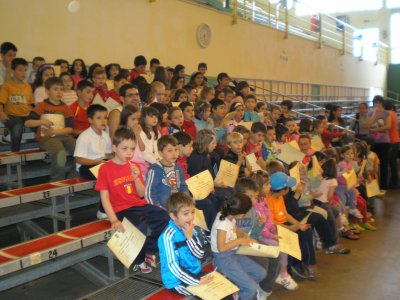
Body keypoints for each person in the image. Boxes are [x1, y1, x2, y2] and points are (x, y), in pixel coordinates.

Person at [95, 127, 170, 272]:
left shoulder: (133, 166)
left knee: (165, 217)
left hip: (138, 204)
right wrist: (113, 220)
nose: (129, 152)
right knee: (139, 226)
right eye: (124, 148)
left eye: (132, 149)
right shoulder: (105, 169)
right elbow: (104, 198)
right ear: (114, 148)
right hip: (121, 209)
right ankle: (139, 259)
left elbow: (141, 193)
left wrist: (136, 178)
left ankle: (149, 249)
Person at [211, 193, 268, 300]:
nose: (245, 216)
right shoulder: (222, 224)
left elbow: (236, 229)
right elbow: (221, 248)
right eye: (244, 214)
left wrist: (246, 236)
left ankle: (240, 292)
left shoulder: (229, 216)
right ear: (238, 213)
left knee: (261, 273)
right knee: (251, 288)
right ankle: (245, 293)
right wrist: (240, 240)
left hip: (233, 253)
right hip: (223, 259)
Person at [158, 192, 212, 296]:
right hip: (177, 281)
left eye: (192, 212)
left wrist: (190, 237)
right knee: (208, 294)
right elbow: (173, 267)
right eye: (186, 214)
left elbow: (200, 254)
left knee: (221, 285)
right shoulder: (167, 237)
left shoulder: (190, 229)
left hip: (194, 272)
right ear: (173, 216)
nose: (191, 217)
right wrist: (197, 281)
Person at [235, 177, 281, 295]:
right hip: (237, 247)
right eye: (249, 197)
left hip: (250, 243)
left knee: (275, 255)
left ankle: (264, 288)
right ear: (239, 195)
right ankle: (252, 288)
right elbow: (229, 234)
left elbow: (254, 233)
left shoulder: (253, 212)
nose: (253, 200)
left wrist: (259, 225)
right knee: (262, 261)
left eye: (255, 197)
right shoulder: (233, 211)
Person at [25, 77, 76, 181]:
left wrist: (55, 131)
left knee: (80, 149)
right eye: (55, 89)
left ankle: (73, 176)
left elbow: (70, 128)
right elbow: (27, 123)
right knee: (59, 151)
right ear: (47, 91)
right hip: (47, 138)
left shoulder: (66, 108)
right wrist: (42, 121)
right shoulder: (42, 106)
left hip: (64, 137)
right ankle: (57, 181)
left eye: (61, 89)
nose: (59, 92)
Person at [145, 135, 189, 209]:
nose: (174, 153)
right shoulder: (155, 170)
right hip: (162, 209)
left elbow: (183, 187)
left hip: (177, 207)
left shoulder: (177, 167)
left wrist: (186, 202)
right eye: (169, 150)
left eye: (176, 149)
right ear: (160, 153)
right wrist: (159, 209)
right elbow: (149, 194)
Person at [0, 58, 33, 151]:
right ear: (13, 71)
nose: (23, 73)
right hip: (11, 116)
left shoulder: (28, 87)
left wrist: (30, 109)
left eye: (25, 70)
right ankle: (15, 152)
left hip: (25, 116)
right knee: (18, 124)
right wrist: (1, 113)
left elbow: (30, 103)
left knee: (39, 119)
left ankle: (45, 147)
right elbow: (0, 102)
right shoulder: (7, 86)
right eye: (20, 70)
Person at [74, 104, 112, 178]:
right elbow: (79, 160)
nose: (103, 121)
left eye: (105, 118)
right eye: (99, 118)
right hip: (86, 166)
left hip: (101, 162)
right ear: (90, 120)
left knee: (119, 167)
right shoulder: (84, 137)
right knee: (106, 172)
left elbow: (108, 154)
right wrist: (98, 162)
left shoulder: (106, 135)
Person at [367, 95, 391, 189]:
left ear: (382, 104)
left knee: (384, 163)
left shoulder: (386, 113)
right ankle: (373, 186)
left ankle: (384, 185)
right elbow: (368, 125)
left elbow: (388, 126)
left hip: (384, 142)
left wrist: (375, 129)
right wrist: (375, 114)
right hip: (373, 142)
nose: (377, 105)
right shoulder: (370, 113)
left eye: (379, 103)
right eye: (376, 103)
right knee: (372, 164)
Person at [384, 100, 399, 189]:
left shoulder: (387, 114)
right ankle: (394, 183)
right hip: (395, 140)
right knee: (393, 163)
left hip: (390, 141)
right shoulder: (394, 113)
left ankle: (392, 184)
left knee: (389, 163)